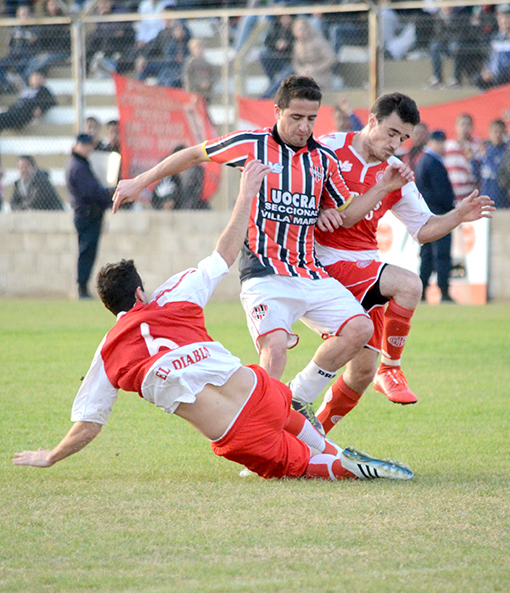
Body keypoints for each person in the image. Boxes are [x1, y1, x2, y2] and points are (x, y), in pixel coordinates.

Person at [12, 159, 414, 483]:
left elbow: (89, 423)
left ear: (111, 309)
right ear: (140, 293)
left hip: (238, 433)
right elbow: (224, 252)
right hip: (262, 389)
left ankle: (343, 466)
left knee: (303, 468)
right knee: (296, 427)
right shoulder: (175, 295)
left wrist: (51, 456)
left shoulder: (110, 351)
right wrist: (246, 194)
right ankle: (337, 452)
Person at [112, 75, 415, 434]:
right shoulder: (251, 145)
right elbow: (195, 154)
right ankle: (261, 438)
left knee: (360, 328)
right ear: (278, 112)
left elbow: (347, 214)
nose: (304, 127)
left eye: (311, 119)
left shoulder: (322, 159)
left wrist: (382, 187)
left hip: (309, 273)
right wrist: (138, 181)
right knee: (274, 352)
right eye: (296, 117)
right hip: (265, 274)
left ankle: (297, 398)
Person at [312, 93, 495, 434]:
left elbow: (424, 229)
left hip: (363, 269)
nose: (395, 143)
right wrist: (315, 211)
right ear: (371, 121)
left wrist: (458, 216)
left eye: (403, 138)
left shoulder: (395, 173)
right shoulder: (329, 148)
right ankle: (391, 367)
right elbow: (297, 185)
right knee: (409, 284)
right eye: (391, 132)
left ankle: (310, 437)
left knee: (360, 372)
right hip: (323, 264)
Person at [65, 133, 112, 300]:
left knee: (87, 251)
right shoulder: (78, 166)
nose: (89, 148)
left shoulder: (79, 164)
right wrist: (109, 197)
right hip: (87, 215)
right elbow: (91, 191)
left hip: (87, 214)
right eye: (85, 145)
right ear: (78, 145)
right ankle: (82, 287)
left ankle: (82, 286)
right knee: (87, 252)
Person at [415, 130, 457, 303]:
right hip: (439, 214)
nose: (443, 145)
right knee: (441, 254)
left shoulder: (424, 160)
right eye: (440, 142)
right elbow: (442, 192)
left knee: (427, 254)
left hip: (427, 215)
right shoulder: (433, 162)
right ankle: (444, 291)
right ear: (431, 142)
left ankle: (422, 290)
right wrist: (451, 210)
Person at [22, 0, 71, 83]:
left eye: (54, 4)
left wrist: (48, 53)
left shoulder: (64, 21)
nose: (53, 7)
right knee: (34, 60)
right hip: (47, 52)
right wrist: (42, 52)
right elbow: (42, 40)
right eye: (50, 5)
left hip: (61, 52)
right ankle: (26, 79)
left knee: (46, 59)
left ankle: (27, 79)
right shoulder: (46, 21)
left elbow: (63, 42)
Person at [0, 3, 39, 94]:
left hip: (28, 55)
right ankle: (7, 85)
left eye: (26, 14)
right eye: (22, 15)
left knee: (19, 68)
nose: (24, 17)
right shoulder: (16, 28)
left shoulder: (35, 27)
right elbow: (11, 44)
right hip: (15, 55)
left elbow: (33, 39)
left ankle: (17, 82)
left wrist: (22, 36)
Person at [443, 113, 481, 203]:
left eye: (468, 124)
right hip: (453, 192)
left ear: (472, 127)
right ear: (456, 126)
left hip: (470, 191)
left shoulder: (476, 145)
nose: (465, 127)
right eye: (462, 124)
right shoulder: (448, 145)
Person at [477, 119, 510, 209]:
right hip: (485, 196)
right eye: (495, 132)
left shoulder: (506, 152)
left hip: (502, 199)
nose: (497, 135)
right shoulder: (486, 151)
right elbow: (477, 174)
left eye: (500, 132)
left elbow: (501, 172)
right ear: (490, 133)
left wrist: (487, 158)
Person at [476, 4, 510, 90]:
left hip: (505, 74)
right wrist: (486, 70)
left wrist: (497, 73)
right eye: (501, 18)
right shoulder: (495, 37)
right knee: (478, 78)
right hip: (493, 73)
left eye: (507, 18)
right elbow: (490, 58)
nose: (504, 21)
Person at [183, 39, 217, 104]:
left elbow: (213, 75)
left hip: (206, 92)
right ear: (192, 50)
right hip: (195, 91)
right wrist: (199, 84)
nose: (199, 50)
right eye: (197, 48)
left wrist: (208, 83)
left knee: (205, 106)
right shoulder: (190, 63)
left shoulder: (207, 63)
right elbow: (188, 78)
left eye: (201, 48)